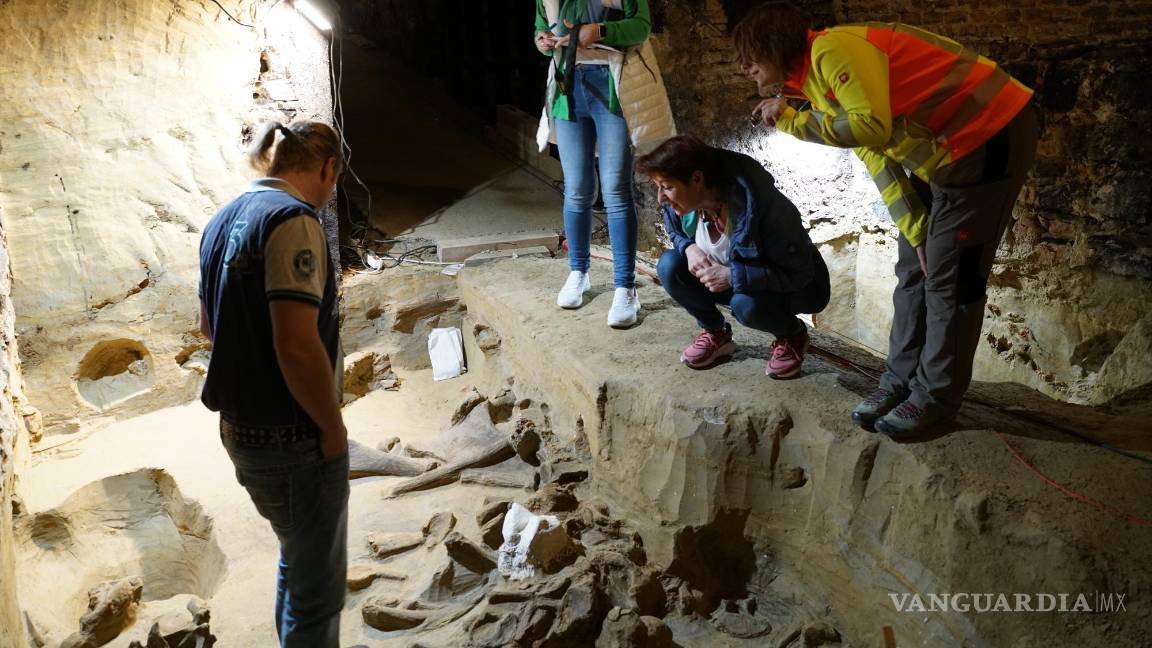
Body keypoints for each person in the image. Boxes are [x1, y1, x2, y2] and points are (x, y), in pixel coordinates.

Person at [734, 4, 1038, 436]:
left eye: (750, 56)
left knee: (951, 280)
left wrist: (791, 120)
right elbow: (878, 157)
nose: (745, 68)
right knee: (914, 266)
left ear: (774, 46)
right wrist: (914, 230)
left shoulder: (834, 51)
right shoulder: (816, 84)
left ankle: (934, 400)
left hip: (988, 135)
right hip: (946, 154)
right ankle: (898, 383)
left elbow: (870, 127)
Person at [198, 121, 348, 646]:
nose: (331, 195)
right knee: (318, 598)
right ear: (327, 168)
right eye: (334, 183)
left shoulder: (223, 218)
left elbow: (207, 326)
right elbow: (296, 345)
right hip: (290, 436)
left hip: (240, 428)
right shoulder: (295, 221)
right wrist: (332, 428)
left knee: (297, 558)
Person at [637, 134, 830, 378]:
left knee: (745, 306)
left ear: (697, 179)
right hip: (740, 281)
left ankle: (793, 334)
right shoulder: (684, 207)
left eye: (667, 187)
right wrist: (688, 247)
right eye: (658, 187)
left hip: (796, 287)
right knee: (669, 265)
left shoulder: (763, 209)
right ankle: (716, 333)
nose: (660, 198)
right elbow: (673, 228)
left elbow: (798, 273)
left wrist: (732, 275)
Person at [534, 0, 675, 327]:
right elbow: (541, 29)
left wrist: (600, 31)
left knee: (615, 188)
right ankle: (578, 271)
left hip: (612, 84)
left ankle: (625, 287)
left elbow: (640, 26)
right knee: (577, 189)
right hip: (567, 88)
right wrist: (542, 40)